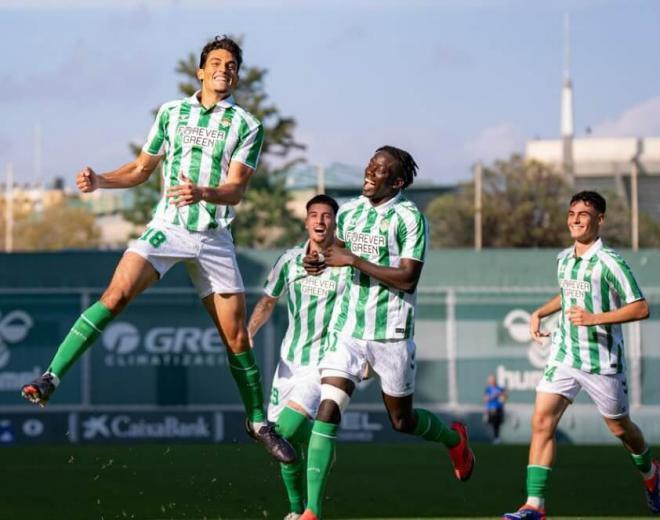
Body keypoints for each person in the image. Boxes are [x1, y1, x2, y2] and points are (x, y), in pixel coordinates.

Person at [20, 35, 295, 464]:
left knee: (237, 338)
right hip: (167, 228)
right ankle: (52, 376)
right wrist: (101, 182)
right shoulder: (172, 112)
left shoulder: (247, 125)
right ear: (201, 71)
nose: (224, 69)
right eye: (217, 62)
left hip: (213, 238)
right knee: (115, 295)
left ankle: (258, 422)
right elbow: (141, 169)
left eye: (232, 65)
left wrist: (203, 191)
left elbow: (237, 190)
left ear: (237, 77)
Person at [299, 146, 475, 520]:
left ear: (396, 181)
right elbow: (338, 251)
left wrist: (354, 260)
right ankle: (311, 511)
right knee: (327, 410)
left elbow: (409, 279)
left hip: (391, 333)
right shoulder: (350, 211)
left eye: (379, 169)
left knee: (402, 422)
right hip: (348, 328)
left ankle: (454, 439)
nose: (368, 171)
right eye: (369, 164)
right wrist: (318, 260)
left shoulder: (410, 218)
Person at [502, 191, 658, 520]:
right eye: (571, 212)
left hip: (602, 362)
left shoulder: (610, 262)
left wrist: (594, 319)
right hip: (564, 354)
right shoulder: (564, 258)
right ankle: (534, 506)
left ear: (599, 220)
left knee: (620, 428)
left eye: (583, 214)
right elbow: (566, 295)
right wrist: (540, 312)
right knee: (541, 421)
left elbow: (641, 307)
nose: (575, 219)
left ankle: (650, 473)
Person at [247, 194, 344, 520]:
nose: (320, 221)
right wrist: (248, 333)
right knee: (283, 448)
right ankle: (294, 510)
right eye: (314, 215)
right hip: (288, 363)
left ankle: (320, 448)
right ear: (305, 222)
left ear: (334, 222)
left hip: (323, 364)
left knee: (282, 432)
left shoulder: (345, 264)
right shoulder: (289, 260)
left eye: (327, 216)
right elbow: (268, 301)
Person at [484, 374, 507, 444]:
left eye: (493, 379)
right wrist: (494, 395)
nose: (492, 381)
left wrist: (503, 397)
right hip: (491, 409)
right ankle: (494, 437)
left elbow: (504, 397)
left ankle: (496, 438)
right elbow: (486, 399)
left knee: (497, 423)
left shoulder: (500, 388)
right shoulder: (488, 389)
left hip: (499, 408)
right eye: (490, 380)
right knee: (492, 423)